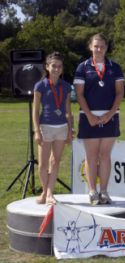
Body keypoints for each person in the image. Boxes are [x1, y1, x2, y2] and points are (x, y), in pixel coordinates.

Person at [73, 33, 125, 205]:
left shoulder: (115, 67)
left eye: (102, 46)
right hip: (88, 116)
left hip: (110, 115)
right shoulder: (83, 67)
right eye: (96, 46)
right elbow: (79, 95)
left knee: (105, 155)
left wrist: (109, 114)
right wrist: (89, 115)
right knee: (91, 156)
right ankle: (92, 191)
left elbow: (120, 93)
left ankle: (104, 191)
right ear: (90, 47)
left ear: (106, 47)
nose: (99, 49)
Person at [33, 51, 73, 205]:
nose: (57, 69)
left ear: (62, 69)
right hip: (45, 128)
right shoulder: (40, 86)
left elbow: (69, 112)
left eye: (60, 66)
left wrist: (70, 130)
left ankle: (49, 193)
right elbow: (36, 111)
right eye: (54, 66)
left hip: (62, 128)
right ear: (47, 67)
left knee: (55, 162)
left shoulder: (67, 86)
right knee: (43, 164)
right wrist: (37, 131)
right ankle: (45, 191)